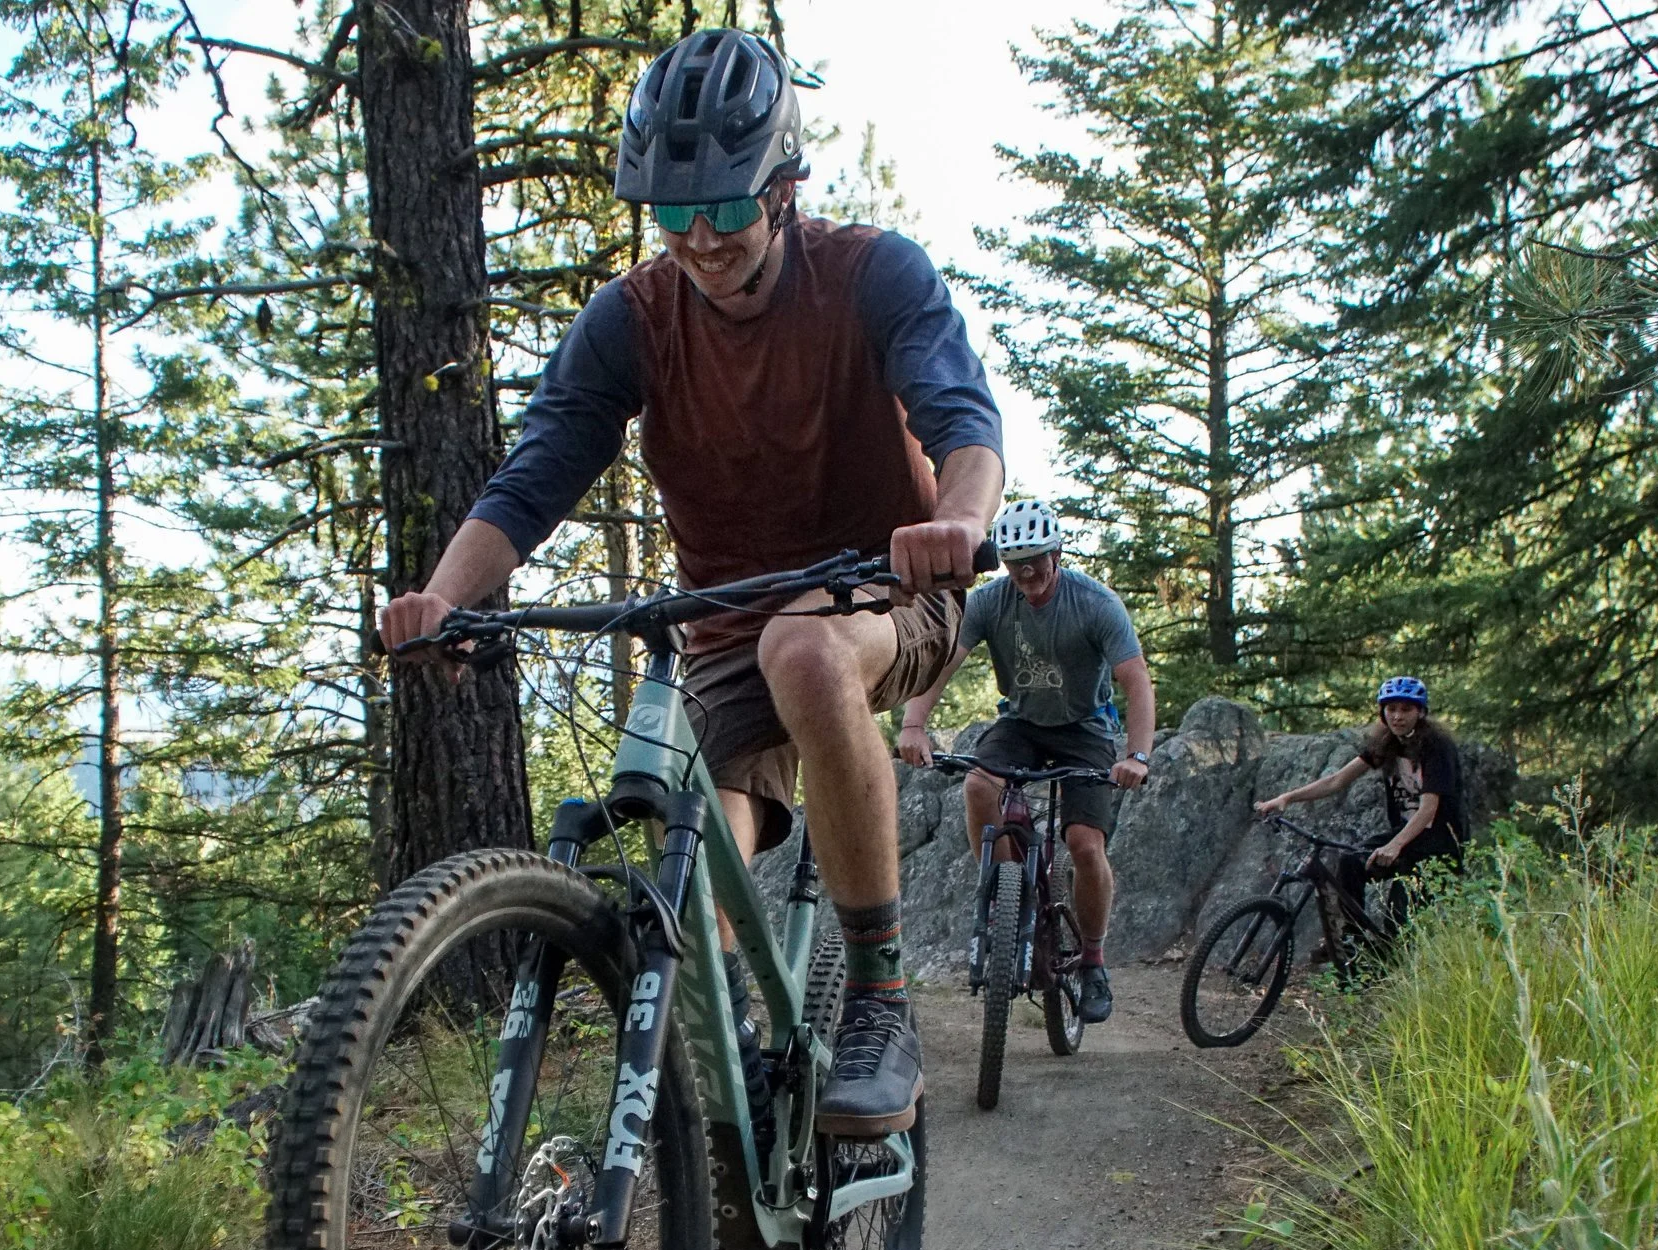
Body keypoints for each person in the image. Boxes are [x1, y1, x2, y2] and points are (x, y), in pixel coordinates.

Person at [378, 28, 1004, 1139]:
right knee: (687, 891)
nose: (699, 241)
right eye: (671, 217)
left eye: (722, 208)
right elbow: (535, 475)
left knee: (805, 649)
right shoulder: (634, 319)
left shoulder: (871, 273)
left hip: (885, 593)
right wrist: (442, 597)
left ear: (782, 186)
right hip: (726, 633)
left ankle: (879, 998)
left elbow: (963, 423)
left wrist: (953, 524)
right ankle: (724, 1198)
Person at [895, 499, 1155, 1023]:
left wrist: (1137, 755)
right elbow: (944, 664)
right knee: (977, 786)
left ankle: (1094, 961)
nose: (1027, 571)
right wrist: (913, 724)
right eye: (1016, 562)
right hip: (1021, 724)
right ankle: (1004, 899)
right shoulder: (991, 602)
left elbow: (1136, 682)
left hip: (1086, 729)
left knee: (1084, 844)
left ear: (1056, 552)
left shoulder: (1096, 604)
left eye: (1036, 558)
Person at [1253, 676, 1466, 941]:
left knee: (1399, 921)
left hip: (1440, 845)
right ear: (1382, 712)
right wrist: (1286, 798)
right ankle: (1353, 942)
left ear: (1421, 712)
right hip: (1407, 837)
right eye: (1391, 709)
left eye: (1406, 709)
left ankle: (1392, 967)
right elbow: (1337, 780)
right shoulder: (1387, 744)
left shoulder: (1437, 747)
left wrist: (1394, 845)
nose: (1397, 716)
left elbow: (1428, 809)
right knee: (1351, 863)